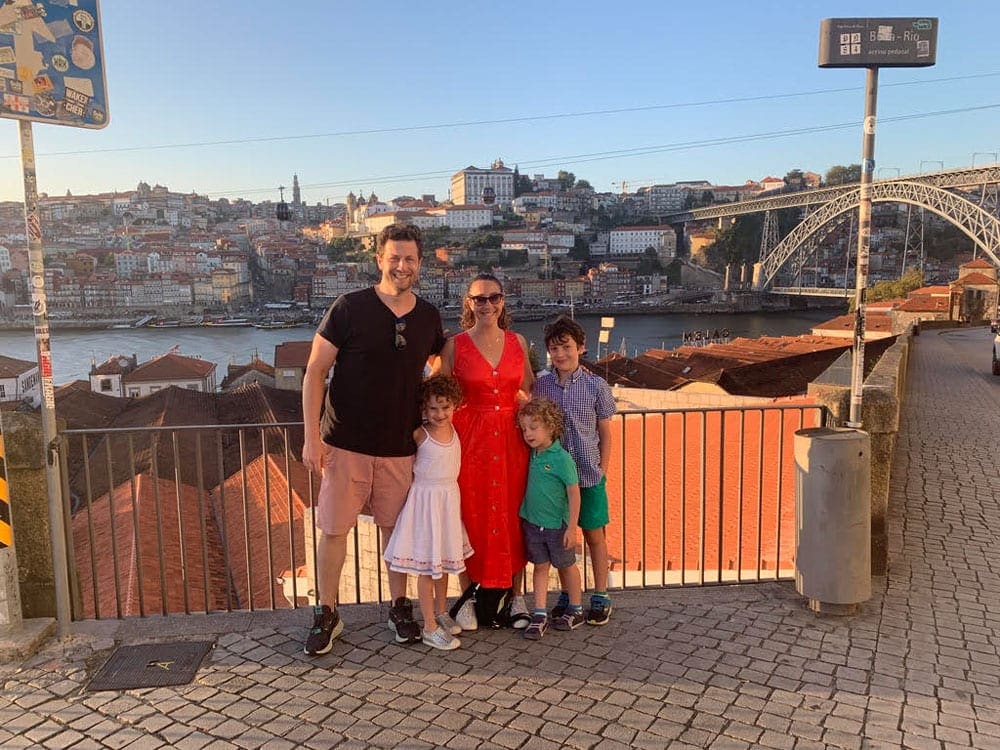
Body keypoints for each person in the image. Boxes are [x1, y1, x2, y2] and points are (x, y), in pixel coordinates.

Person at [301, 223, 445, 655]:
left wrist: (424, 419)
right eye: (394, 257)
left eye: (410, 259)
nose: (402, 265)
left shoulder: (428, 316)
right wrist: (311, 436)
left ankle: (399, 608)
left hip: (400, 446)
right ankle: (327, 612)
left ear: (419, 264)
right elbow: (314, 372)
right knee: (333, 530)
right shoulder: (349, 307)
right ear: (379, 259)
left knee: (396, 533)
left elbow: (442, 365)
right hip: (346, 442)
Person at [436, 273, 534, 630]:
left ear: (503, 301)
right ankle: (467, 598)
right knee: (470, 515)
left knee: (513, 514)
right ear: (469, 303)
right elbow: (438, 392)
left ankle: (517, 596)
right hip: (470, 441)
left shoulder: (518, 343)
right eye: (480, 299)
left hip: (512, 440)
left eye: (494, 297)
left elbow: (526, 389)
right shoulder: (454, 346)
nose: (487, 304)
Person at [533, 315, 617, 625]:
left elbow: (605, 431)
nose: (560, 355)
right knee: (563, 540)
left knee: (595, 535)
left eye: (566, 347)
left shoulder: (597, 386)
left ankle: (601, 594)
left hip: (588, 475)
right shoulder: (541, 385)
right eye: (554, 349)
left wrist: (602, 469)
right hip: (555, 479)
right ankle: (570, 594)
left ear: (580, 348)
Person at [383, 375, 471, 651]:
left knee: (443, 562)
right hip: (425, 504)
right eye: (433, 408)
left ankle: (442, 612)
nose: (439, 414)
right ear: (424, 409)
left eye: (445, 407)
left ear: (454, 406)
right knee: (426, 567)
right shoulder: (420, 434)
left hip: (447, 501)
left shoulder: (455, 430)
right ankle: (429, 625)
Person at [517, 397, 582, 640]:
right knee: (540, 567)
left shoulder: (561, 458)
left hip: (557, 524)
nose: (528, 433)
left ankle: (575, 608)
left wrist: (572, 526)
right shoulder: (532, 454)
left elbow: (573, 492)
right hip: (533, 523)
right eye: (524, 428)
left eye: (534, 427)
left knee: (567, 566)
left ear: (550, 426)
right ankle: (540, 612)